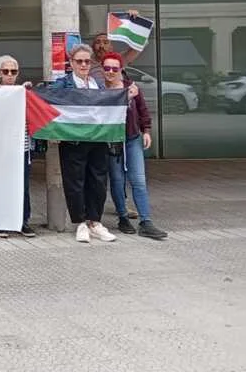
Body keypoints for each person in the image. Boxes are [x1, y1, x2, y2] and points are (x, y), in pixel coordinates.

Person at [50, 43, 117, 244]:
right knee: (75, 182)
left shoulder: (98, 84)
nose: (83, 65)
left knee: (98, 181)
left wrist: (126, 96)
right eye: (79, 61)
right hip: (74, 140)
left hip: (97, 139)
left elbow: (108, 105)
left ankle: (95, 222)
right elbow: (48, 99)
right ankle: (80, 223)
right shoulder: (63, 84)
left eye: (87, 61)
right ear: (71, 63)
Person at [100, 52, 168, 240]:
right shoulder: (99, 90)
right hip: (112, 141)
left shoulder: (132, 87)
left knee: (138, 179)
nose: (111, 72)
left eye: (115, 68)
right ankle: (122, 217)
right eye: (107, 68)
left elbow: (143, 110)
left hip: (132, 138)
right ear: (102, 69)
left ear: (121, 69)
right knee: (117, 180)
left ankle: (146, 221)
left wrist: (146, 130)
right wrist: (126, 98)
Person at [0, 55, 36, 238]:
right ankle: (1, 222)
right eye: (6, 71)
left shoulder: (24, 93)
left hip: (22, 148)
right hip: (1, 149)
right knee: (2, 185)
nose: (9, 74)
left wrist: (28, 92)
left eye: (13, 71)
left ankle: (23, 221)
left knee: (23, 186)